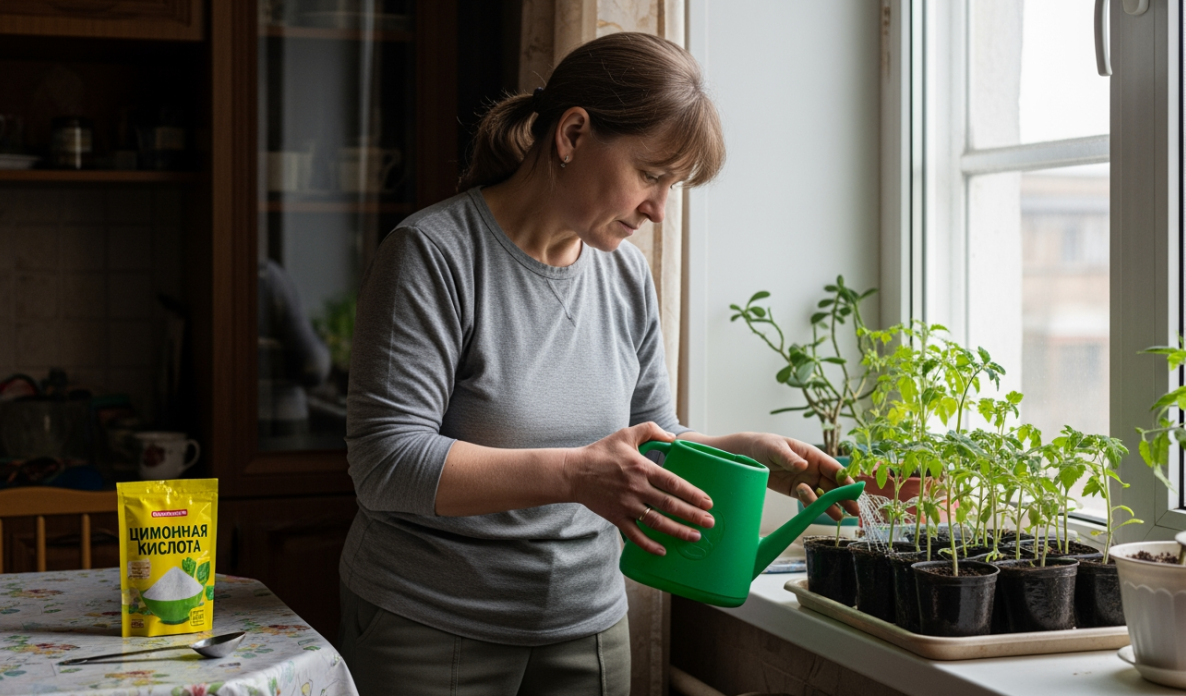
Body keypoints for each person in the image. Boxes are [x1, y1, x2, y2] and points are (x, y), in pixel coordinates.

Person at [337, 32, 857, 696]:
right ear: (573, 134)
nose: (660, 210)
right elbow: (385, 464)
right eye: (651, 174)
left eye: (674, 185)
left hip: (589, 626)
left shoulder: (626, 276)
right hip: (431, 627)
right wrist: (574, 475)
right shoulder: (433, 255)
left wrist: (743, 452)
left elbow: (648, 441)